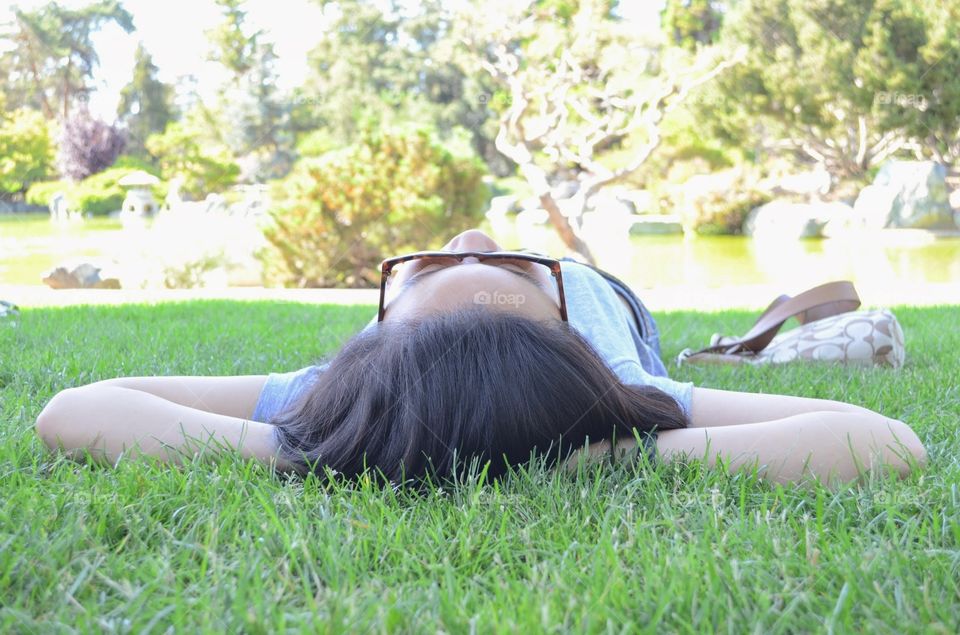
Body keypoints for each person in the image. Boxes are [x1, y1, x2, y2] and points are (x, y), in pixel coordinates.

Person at [35, 229, 927, 487]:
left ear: (376, 342)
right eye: (488, 262)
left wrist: (310, 447)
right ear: (564, 315)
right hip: (597, 317)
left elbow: (76, 408)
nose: (471, 237)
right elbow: (888, 442)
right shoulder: (623, 383)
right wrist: (627, 445)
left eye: (437, 266)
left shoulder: (336, 398)